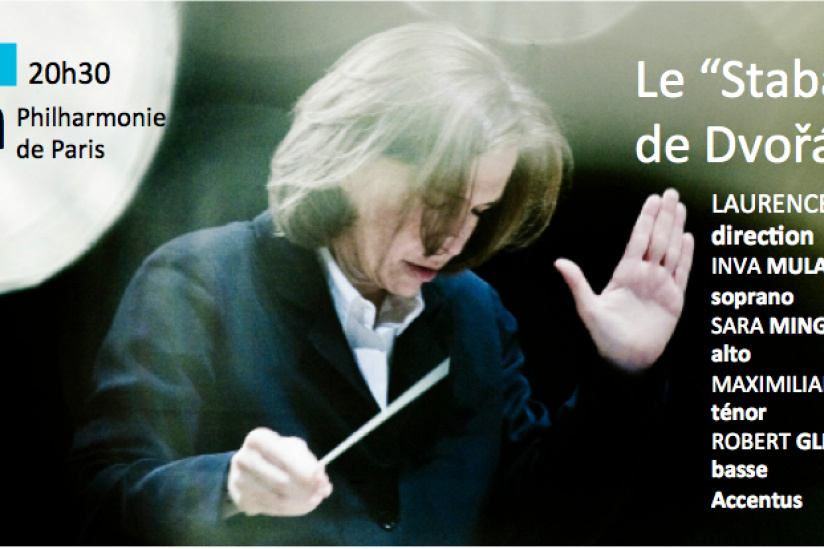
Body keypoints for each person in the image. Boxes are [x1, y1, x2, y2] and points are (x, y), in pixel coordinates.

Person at [68, 22, 693, 545]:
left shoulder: (475, 312)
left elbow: (543, 520)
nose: (454, 240)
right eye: (438, 201)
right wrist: (227, 485)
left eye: (479, 211)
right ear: (349, 160)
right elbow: (97, 502)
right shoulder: (200, 282)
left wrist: (623, 374)